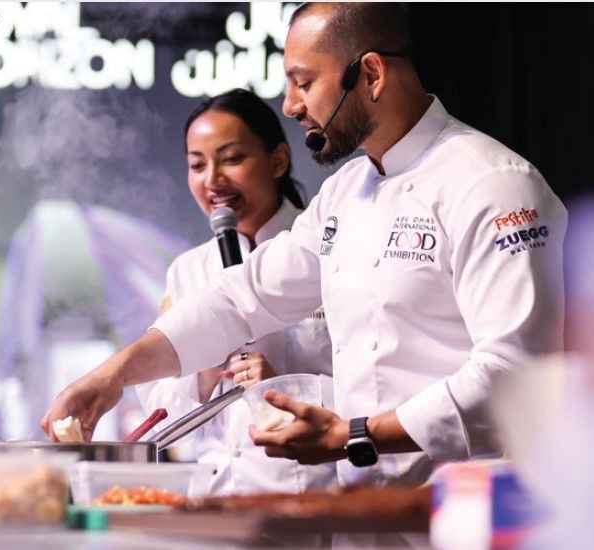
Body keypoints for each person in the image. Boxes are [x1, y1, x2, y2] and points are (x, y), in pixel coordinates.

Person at [42, 2, 567, 487]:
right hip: (362, 520)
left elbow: (516, 378)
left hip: (465, 516)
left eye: (303, 82)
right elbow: (240, 297)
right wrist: (114, 373)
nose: (290, 106)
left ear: (371, 75)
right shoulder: (345, 191)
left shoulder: (493, 184)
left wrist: (355, 434)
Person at [136, 88, 336, 495]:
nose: (213, 180)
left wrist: (289, 387)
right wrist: (203, 364)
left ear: (278, 160)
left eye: (231, 159)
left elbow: (376, 381)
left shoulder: (327, 250)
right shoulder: (188, 271)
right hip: (214, 496)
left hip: (308, 496)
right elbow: (162, 413)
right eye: (197, 165)